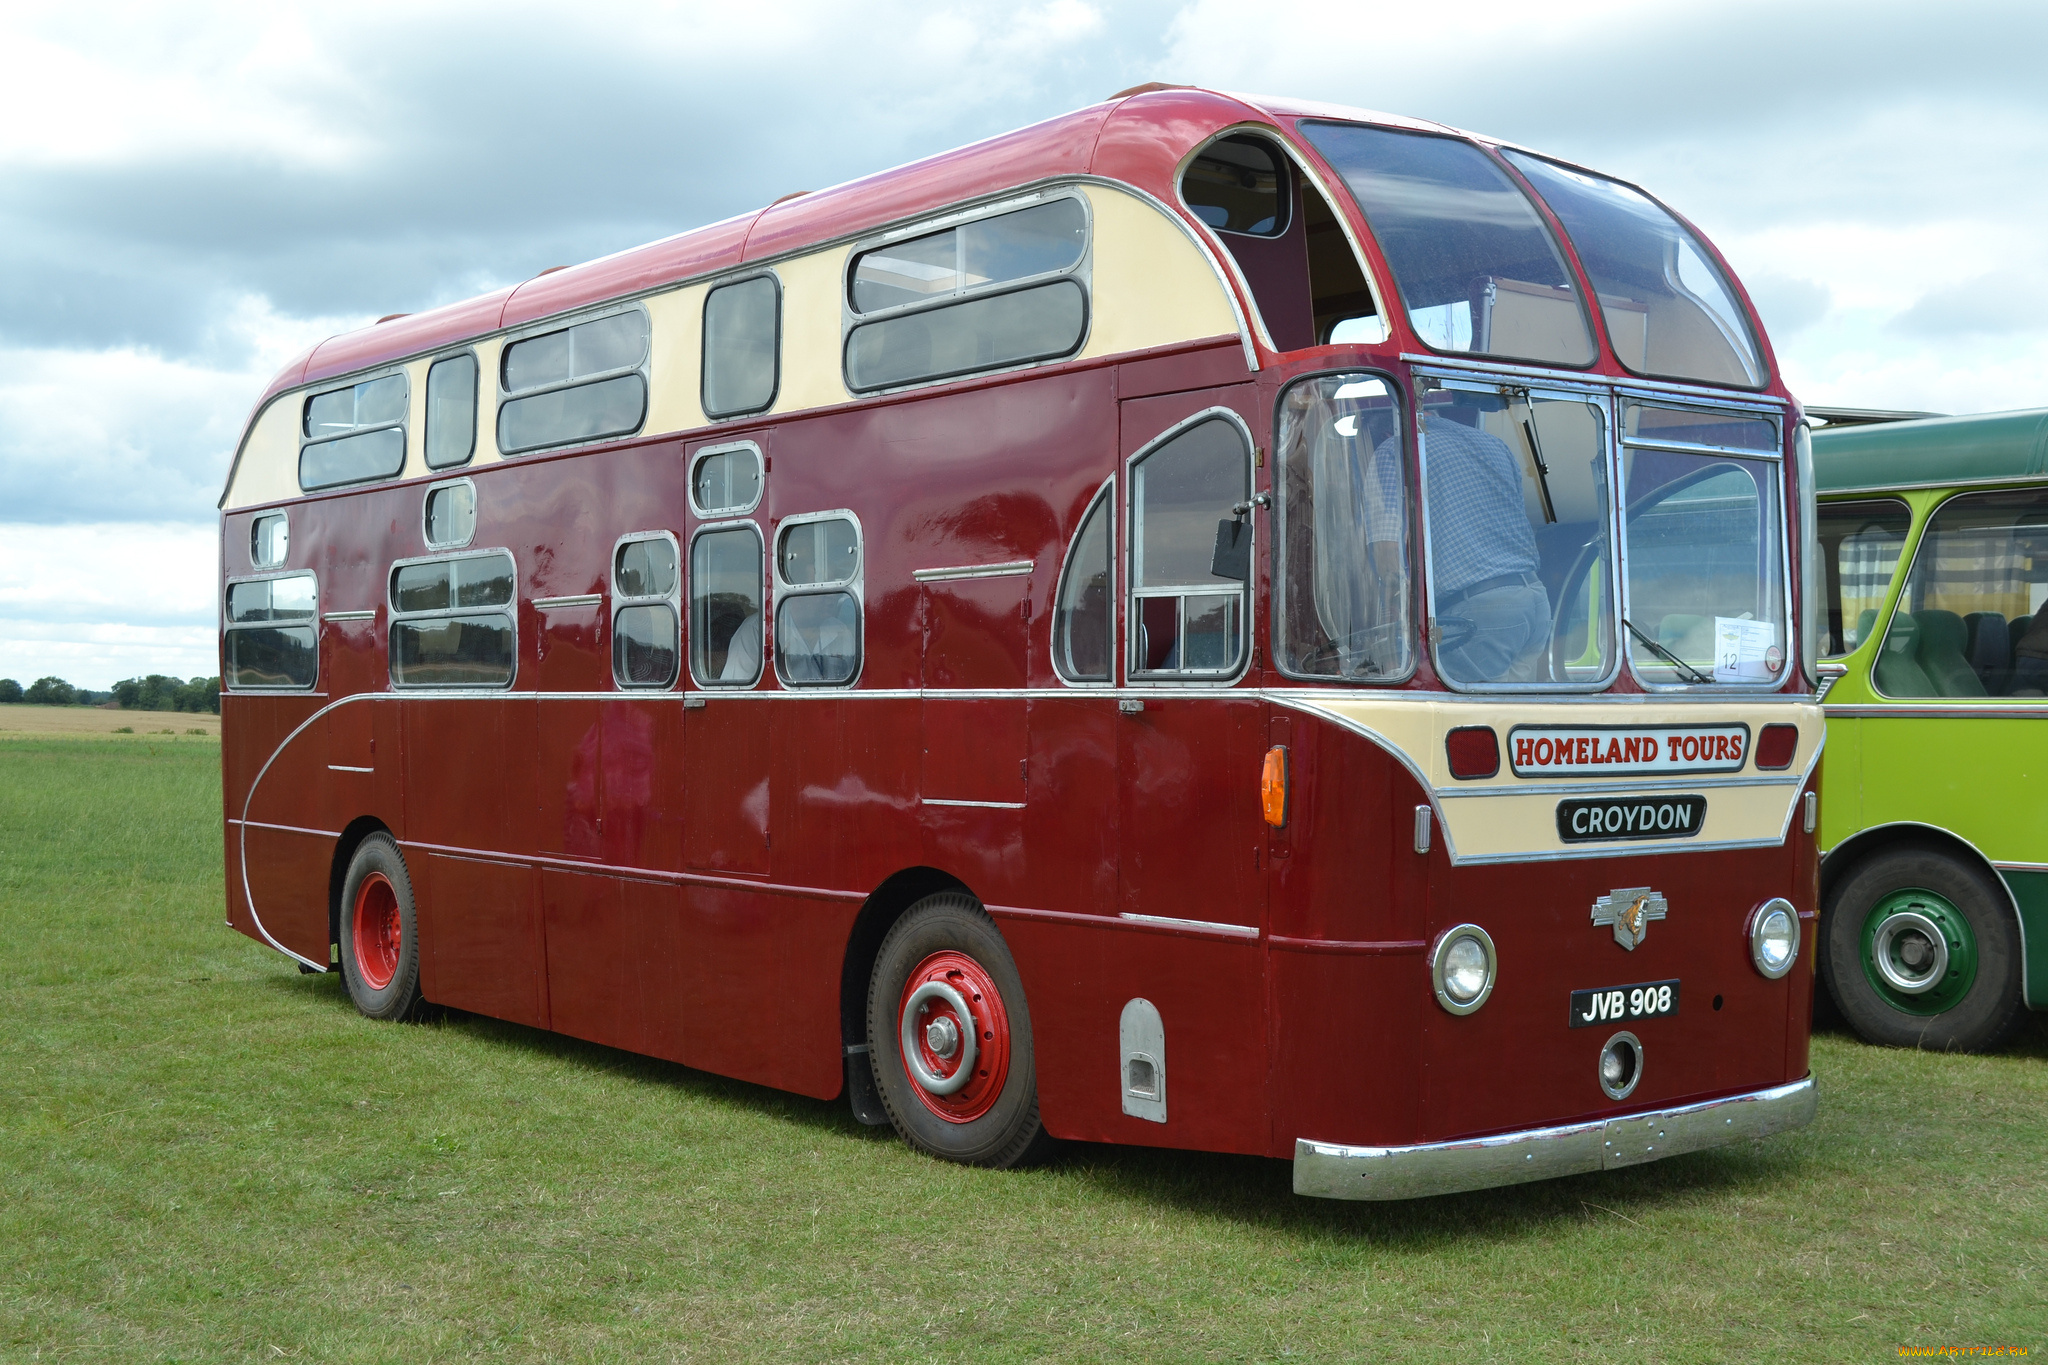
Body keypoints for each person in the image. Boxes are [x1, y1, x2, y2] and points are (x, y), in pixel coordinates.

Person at [1373, 406, 1550, 683]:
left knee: (1440, 704)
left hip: (1480, 615)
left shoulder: (1394, 449)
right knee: (1507, 712)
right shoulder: (1494, 444)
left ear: (1385, 430)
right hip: (1534, 603)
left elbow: (1388, 558)